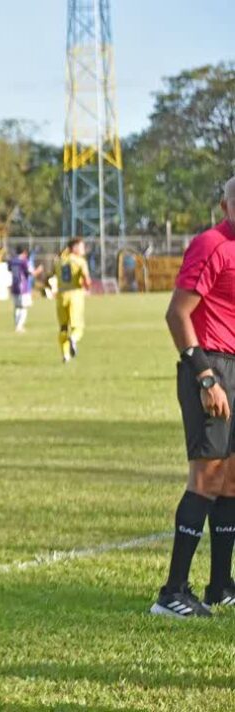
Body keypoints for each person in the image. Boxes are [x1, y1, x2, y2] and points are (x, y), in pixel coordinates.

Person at [151, 176, 235, 618]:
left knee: (231, 480)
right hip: (210, 367)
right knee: (206, 477)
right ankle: (172, 593)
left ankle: (220, 585)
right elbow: (177, 313)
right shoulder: (210, 245)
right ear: (225, 205)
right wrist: (204, 377)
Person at [54, 237, 93, 362]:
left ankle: (65, 355)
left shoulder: (59, 261)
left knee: (63, 327)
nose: (83, 249)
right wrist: (88, 286)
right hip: (75, 295)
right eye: (81, 247)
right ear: (74, 248)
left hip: (61, 296)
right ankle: (74, 339)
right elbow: (87, 280)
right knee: (77, 326)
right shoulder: (80, 261)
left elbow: (53, 277)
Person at [8, 245, 43, 332]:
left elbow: (10, 270)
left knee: (17, 307)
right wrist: (39, 270)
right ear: (24, 252)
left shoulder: (12, 261)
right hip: (23, 287)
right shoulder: (24, 261)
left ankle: (17, 325)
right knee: (23, 307)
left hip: (14, 286)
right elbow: (32, 273)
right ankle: (19, 327)